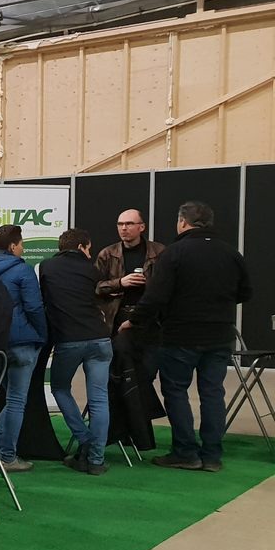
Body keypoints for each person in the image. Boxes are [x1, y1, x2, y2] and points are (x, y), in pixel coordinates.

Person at [131, 201, 252, 473]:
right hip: (220, 334)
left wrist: (135, 320)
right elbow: (246, 293)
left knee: (176, 391)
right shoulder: (231, 254)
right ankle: (212, 455)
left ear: (182, 222)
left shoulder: (174, 253)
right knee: (213, 393)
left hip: (180, 335)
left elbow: (156, 296)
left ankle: (185, 452)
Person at [38, 229, 112, 475]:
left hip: (68, 339)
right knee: (99, 399)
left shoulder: (47, 267)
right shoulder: (92, 269)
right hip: (100, 338)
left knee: (60, 388)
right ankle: (96, 459)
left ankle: (85, 439)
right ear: (82, 247)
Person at [0, 224, 47, 473]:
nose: (23, 248)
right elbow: (34, 306)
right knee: (16, 401)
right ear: (13, 246)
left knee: (5, 399)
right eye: (22, 244)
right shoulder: (23, 270)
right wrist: (41, 334)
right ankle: (7, 456)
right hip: (22, 342)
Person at [95, 208, 165, 331]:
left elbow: (167, 286)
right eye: (120, 224)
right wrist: (120, 283)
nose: (123, 228)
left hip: (150, 317)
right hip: (117, 316)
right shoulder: (107, 254)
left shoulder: (159, 252)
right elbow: (95, 287)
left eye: (129, 224)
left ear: (142, 227)